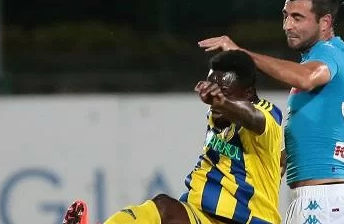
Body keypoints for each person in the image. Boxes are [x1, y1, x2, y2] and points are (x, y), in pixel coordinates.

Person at [198, 0, 344, 224]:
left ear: (325, 22)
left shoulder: (329, 53)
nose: (287, 25)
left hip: (323, 202)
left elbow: (306, 78)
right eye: (286, 16)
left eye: (297, 18)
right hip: (323, 199)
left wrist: (239, 53)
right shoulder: (328, 56)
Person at [62, 50, 284, 224]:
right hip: (203, 215)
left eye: (223, 91)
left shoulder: (266, 115)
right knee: (162, 208)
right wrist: (221, 103)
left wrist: (222, 102)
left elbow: (253, 117)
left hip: (248, 220)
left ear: (247, 93)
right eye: (211, 90)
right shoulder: (217, 115)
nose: (213, 100)